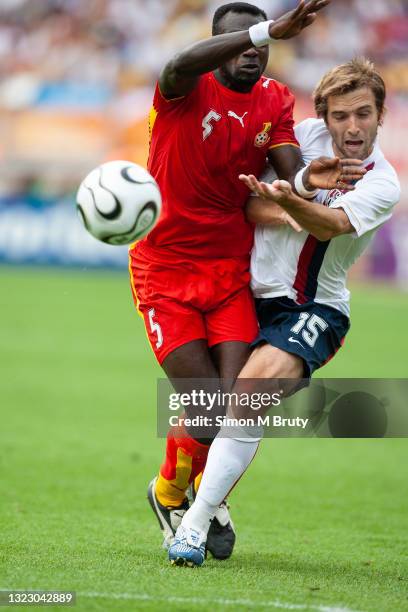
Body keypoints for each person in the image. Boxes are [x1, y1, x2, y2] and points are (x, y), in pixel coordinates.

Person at [128, 0, 361, 559]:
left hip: (231, 275)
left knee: (235, 407)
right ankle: (169, 493)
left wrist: (310, 178)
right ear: (222, 47)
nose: (254, 54)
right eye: (243, 44)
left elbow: (288, 172)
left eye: (262, 48)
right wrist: (264, 28)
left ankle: (196, 498)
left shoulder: (275, 100)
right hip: (164, 271)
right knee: (207, 411)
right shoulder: (184, 88)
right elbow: (180, 61)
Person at [169, 57, 401, 566]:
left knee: (248, 396)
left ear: (381, 114)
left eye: (364, 114)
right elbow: (247, 204)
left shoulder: (384, 184)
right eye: (341, 116)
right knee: (207, 407)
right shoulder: (301, 140)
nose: (353, 127)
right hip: (247, 294)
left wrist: (293, 198)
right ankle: (191, 494)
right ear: (324, 115)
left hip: (315, 308)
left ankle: (192, 523)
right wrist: (288, 195)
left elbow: (328, 226)